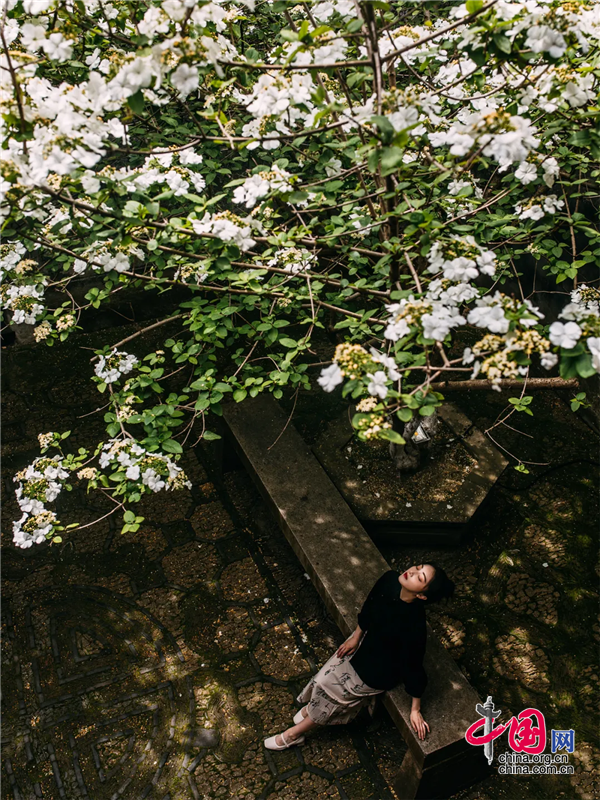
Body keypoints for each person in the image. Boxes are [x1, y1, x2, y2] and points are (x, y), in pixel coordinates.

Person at [264, 563, 455, 750]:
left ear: (421, 595)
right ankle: (310, 709)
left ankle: (293, 735)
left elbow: (413, 663)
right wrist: (356, 637)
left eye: (420, 577)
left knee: (332, 700)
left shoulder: (414, 623)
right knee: (323, 679)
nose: (412, 571)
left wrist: (415, 708)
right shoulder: (390, 579)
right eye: (418, 567)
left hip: (378, 670)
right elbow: (369, 607)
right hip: (364, 644)